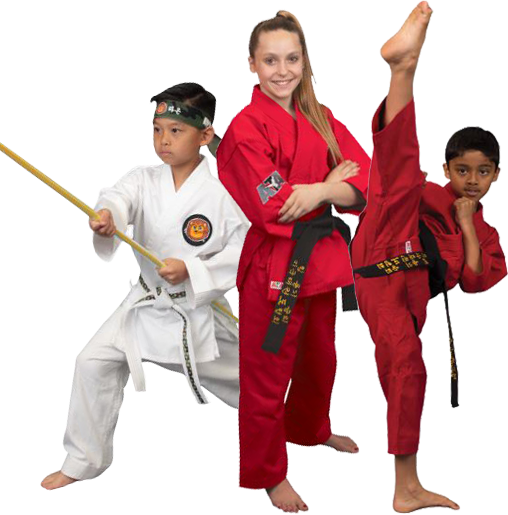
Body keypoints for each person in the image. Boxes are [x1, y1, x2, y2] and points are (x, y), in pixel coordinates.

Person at [41, 83, 248, 490]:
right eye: (157, 130)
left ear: (205, 136)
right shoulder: (144, 179)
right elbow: (120, 199)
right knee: (93, 362)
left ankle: (298, 421)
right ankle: (84, 459)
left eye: (176, 131)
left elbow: (244, 251)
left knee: (250, 381)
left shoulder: (226, 190)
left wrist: (191, 270)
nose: (164, 141)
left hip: (198, 311)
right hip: (146, 304)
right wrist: (108, 216)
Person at [349, 2, 506, 512]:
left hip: (407, 289)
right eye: (462, 170)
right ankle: (403, 68)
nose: (471, 181)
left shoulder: (485, 230)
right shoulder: (428, 188)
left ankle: (405, 486)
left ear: (496, 176)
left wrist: (465, 226)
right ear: (449, 168)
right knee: (397, 176)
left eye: (482, 173)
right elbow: (389, 182)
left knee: (407, 370)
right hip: (384, 242)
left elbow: (478, 282)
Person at [216, 9, 371, 514]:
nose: (282, 70)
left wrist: (320, 190)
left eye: (292, 58)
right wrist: (329, 186)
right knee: (266, 374)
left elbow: (367, 179)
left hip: (322, 261)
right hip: (274, 271)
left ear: (304, 61)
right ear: (252, 65)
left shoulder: (319, 117)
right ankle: (267, 473)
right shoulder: (245, 130)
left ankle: (309, 429)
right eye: (270, 60)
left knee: (319, 360)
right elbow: (277, 205)